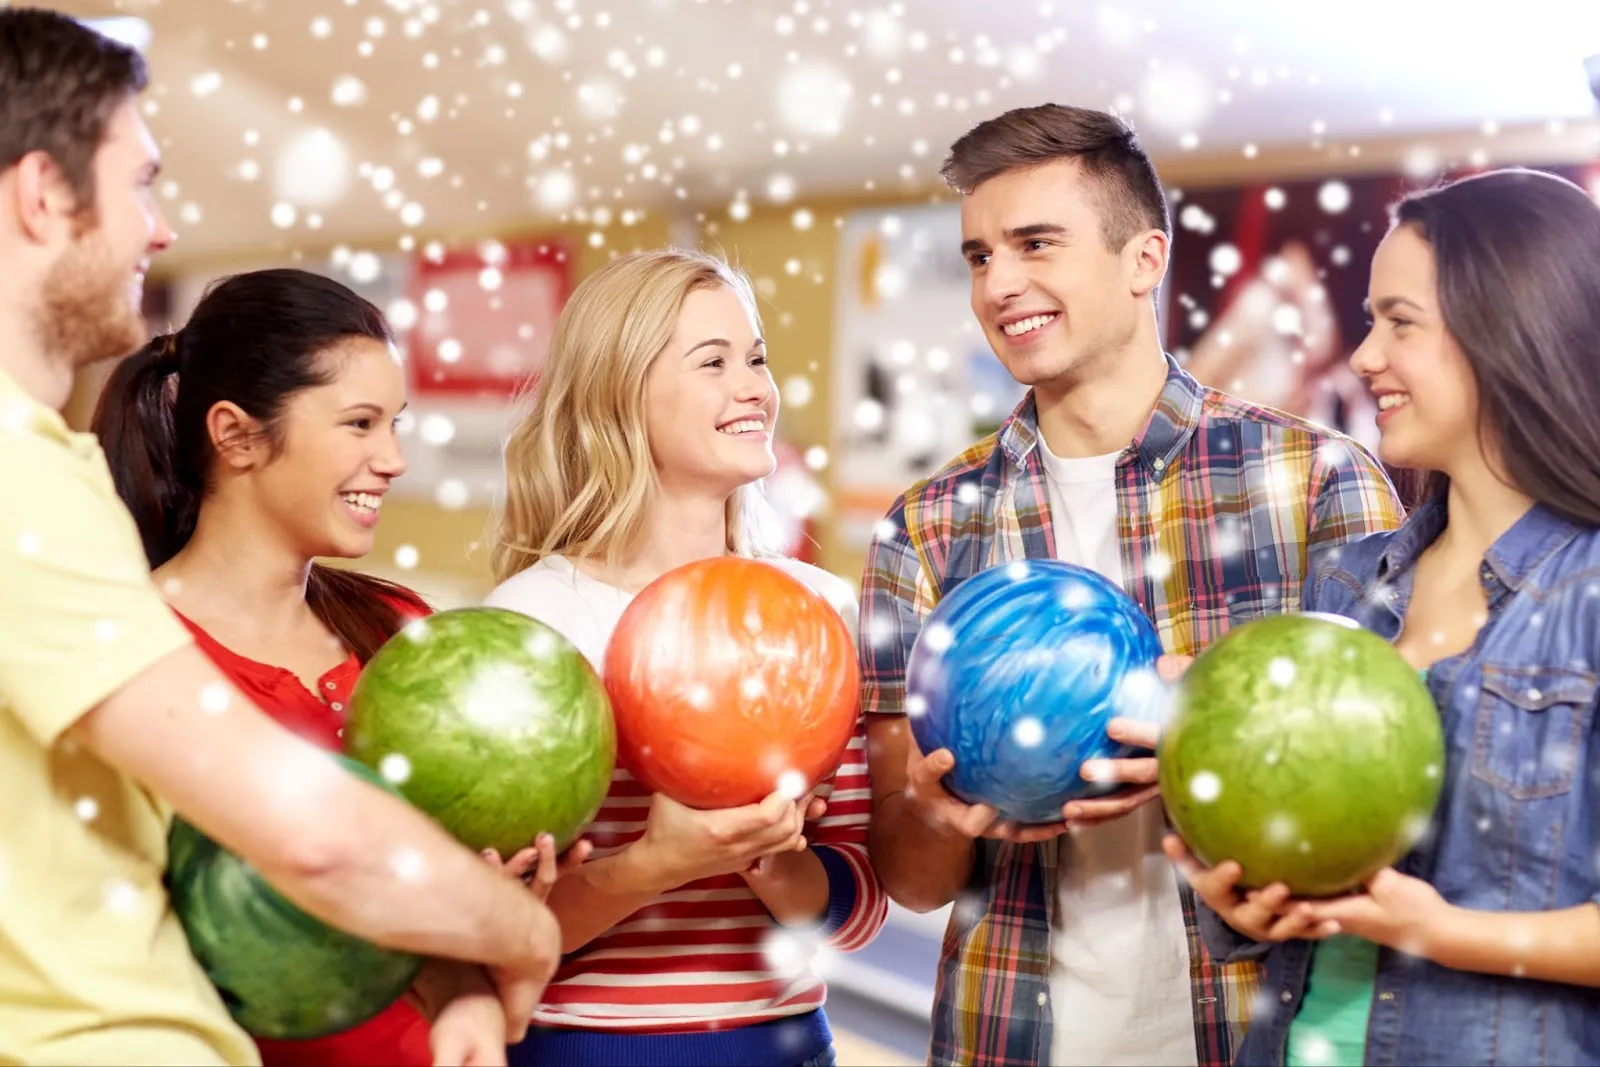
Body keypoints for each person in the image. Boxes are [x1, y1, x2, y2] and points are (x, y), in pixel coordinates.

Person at [0, 10, 559, 1065]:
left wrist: (457, 971)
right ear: (43, 194)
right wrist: (517, 931)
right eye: (141, 181)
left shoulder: (47, 470)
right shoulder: (14, 477)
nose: (159, 229)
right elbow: (309, 838)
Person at [857, 103, 1405, 1067]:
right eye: (980, 256)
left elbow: (1395, 804)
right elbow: (911, 878)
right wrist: (940, 816)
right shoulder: (927, 526)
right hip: (1009, 1034)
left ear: (1145, 259)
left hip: (1257, 1030)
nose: (1001, 284)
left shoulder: (1318, 480)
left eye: (1036, 244)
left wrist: (1215, 737)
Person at [91, 266, 583, 1067]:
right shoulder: (135, 658)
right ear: (236, 434)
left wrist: (486, 906)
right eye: (359, 423)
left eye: (395, 423)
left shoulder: (402, 631)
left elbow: (437, 925)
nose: (392, 459)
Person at [1169, 167, 1600, 1065]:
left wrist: (1446, 932)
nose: (1365, 356)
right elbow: (1299, 863)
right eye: (1371, 321)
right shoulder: (1348, 582)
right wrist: (1248, 901)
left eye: (1400, 322)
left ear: (1511, 329)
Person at [482, 247, 888, 1067]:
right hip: (581, 1052)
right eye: (714, 362)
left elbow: (858, 906)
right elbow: (492, 931)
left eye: (758, 359)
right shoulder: (533, 622)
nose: (756, 388)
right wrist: (657, 863)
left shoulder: (823, 611)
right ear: (622, 391)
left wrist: (774, 862)